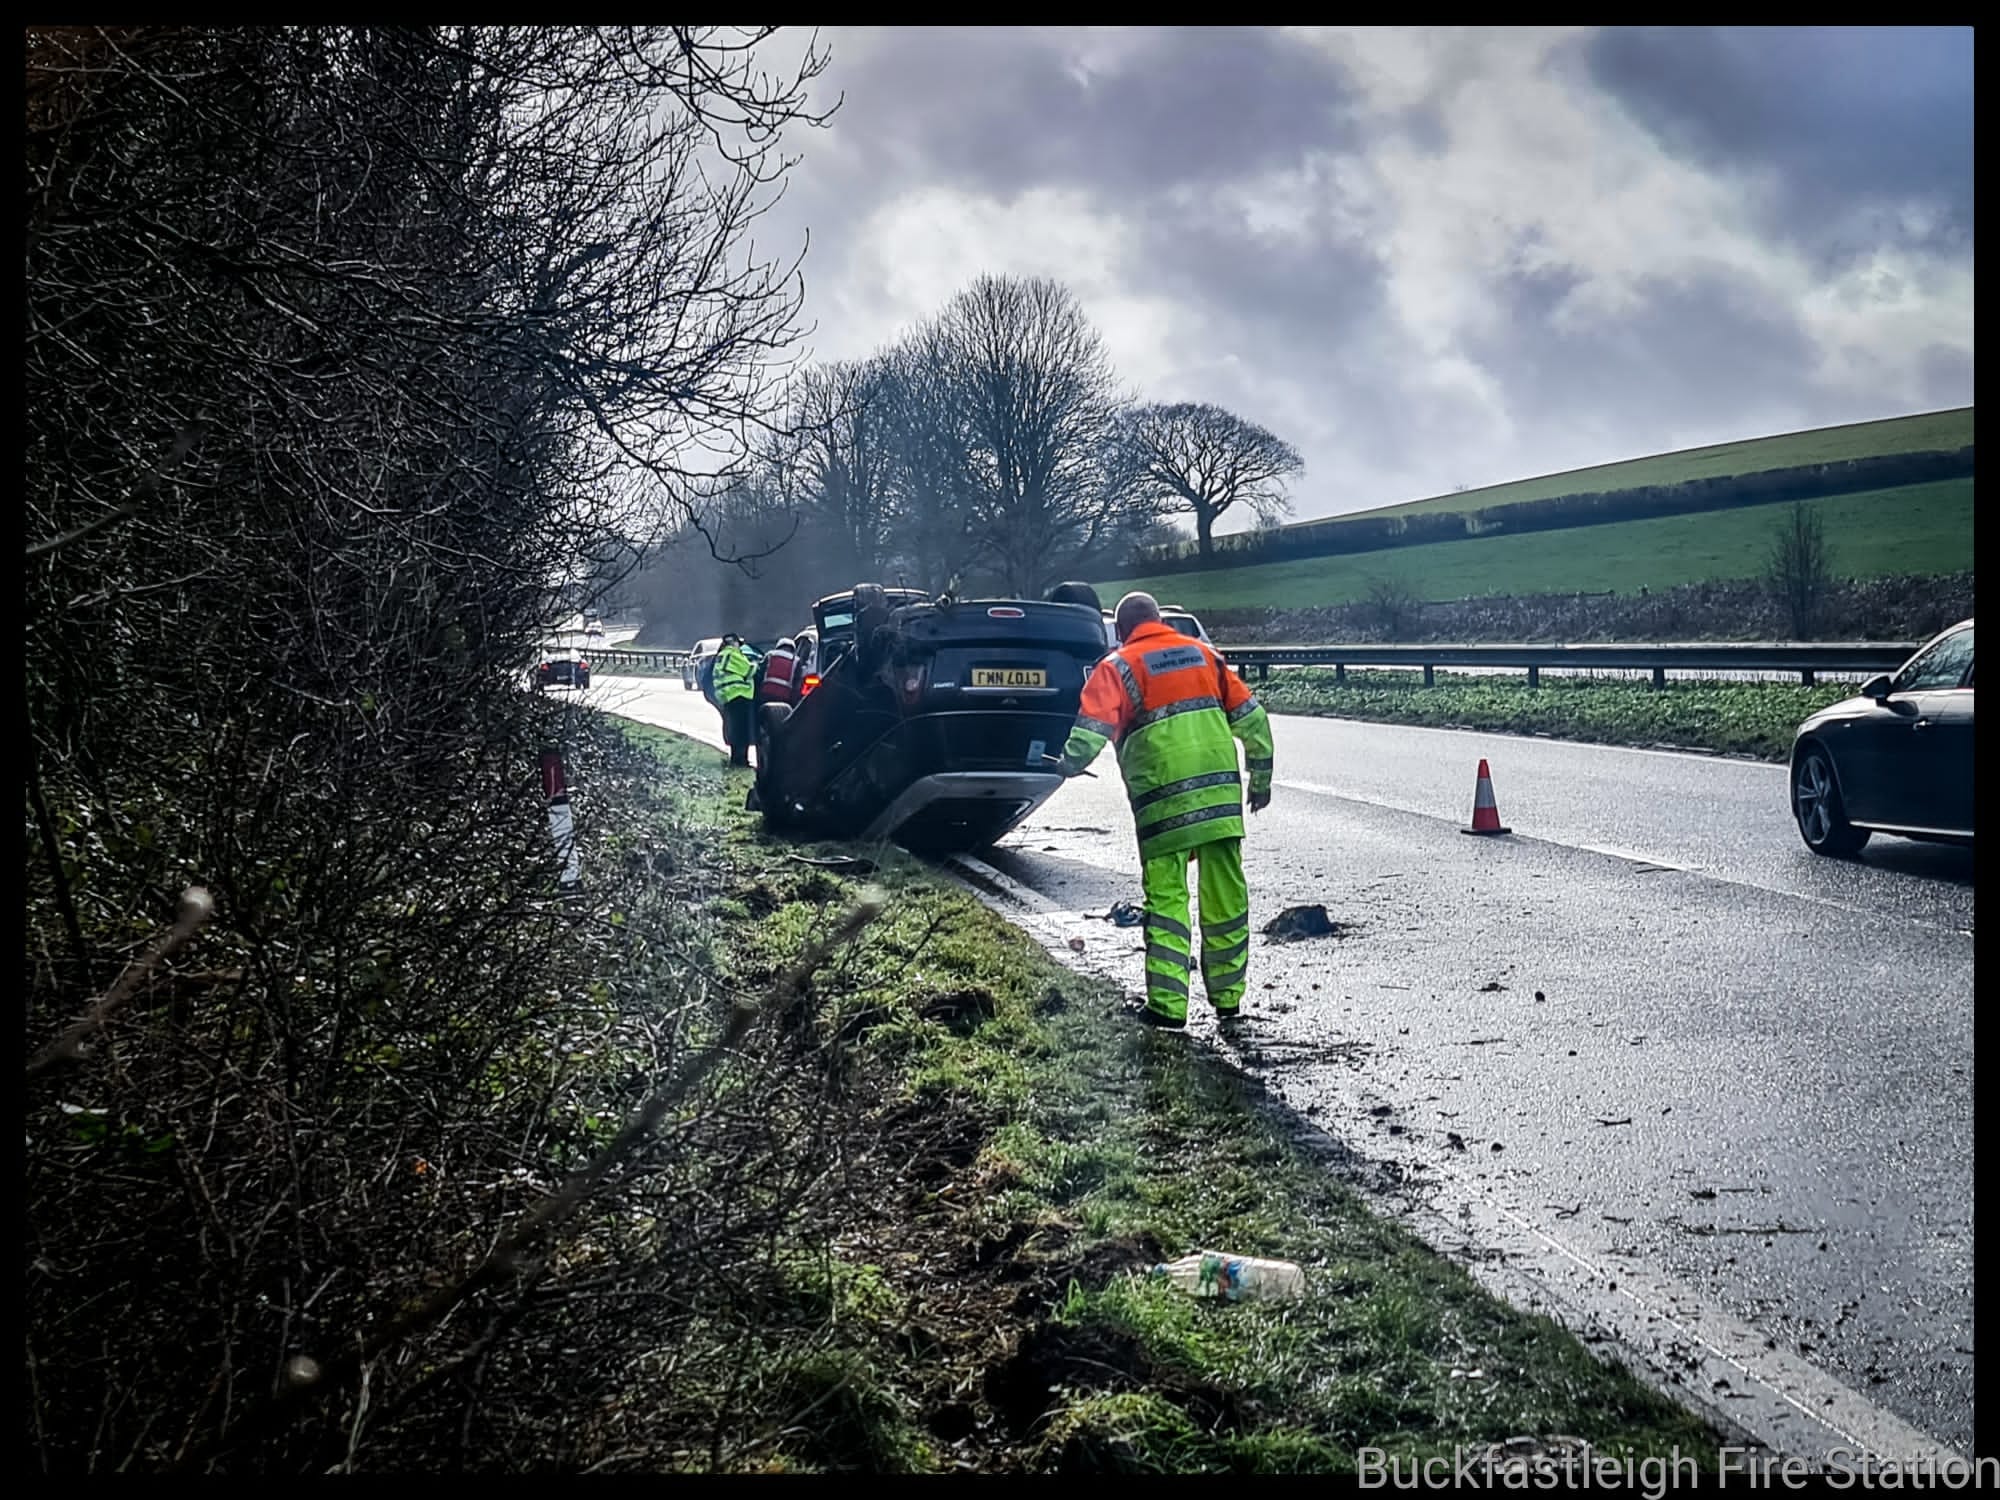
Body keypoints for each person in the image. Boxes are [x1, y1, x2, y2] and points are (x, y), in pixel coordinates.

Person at [1057, 592, 1274, 1030]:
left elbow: (1088, 735)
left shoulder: (1117, 667)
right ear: (1160, 621)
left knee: (1168, 901)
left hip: (1162, 806)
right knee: (1226, 899)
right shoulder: (1205, 657)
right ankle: (1229, 1001)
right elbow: (1254, 722)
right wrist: (1261, 781)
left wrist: (1063, 764)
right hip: (1220, 803)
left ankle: (1169, 1009)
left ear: (1120, 630)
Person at [712, 634, 757, 767]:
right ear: (733, 643)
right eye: (739, 644)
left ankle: (735, 758)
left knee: (733, 729)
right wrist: (756, 664)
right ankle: (741, 760)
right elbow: (749, 670)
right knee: (742, 731)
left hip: (727, 697)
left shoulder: (721, 655)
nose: (740, 647)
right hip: (739, 694)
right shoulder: (732, 654)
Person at [758, 636, 799, 706]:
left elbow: (760, 669)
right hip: (785, 695)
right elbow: (797, 679)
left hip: (767, 690)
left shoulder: (770, 654)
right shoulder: (796, 660)